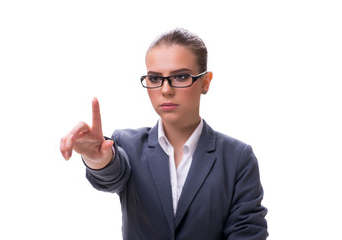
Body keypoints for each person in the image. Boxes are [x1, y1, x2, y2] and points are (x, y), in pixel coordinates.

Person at [60, 28, 268, 240]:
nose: (166, 90)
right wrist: (97, 160)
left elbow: (248, 233)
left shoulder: (237, 157)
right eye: (154, 78)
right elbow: (113, 172)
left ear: (205, 82)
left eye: (180, 76)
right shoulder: (127, 145)